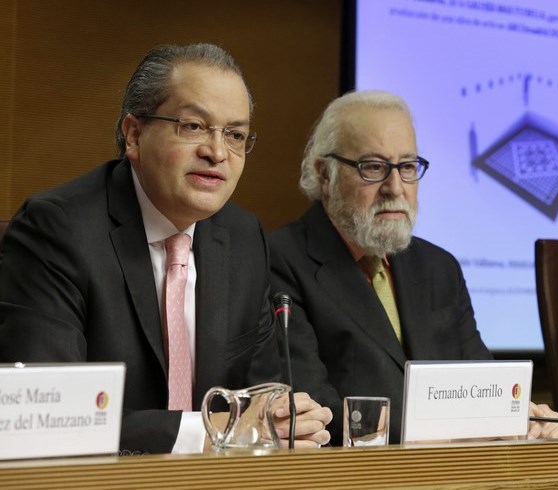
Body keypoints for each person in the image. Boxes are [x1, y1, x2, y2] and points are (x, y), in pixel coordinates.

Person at [0, 43, 331, 454]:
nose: (217, 152)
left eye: (235, 134)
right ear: (134, 135)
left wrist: (285, 421)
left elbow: (261, 402)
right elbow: (47, 413)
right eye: (193, 126)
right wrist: (215, 433)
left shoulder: (243, 238)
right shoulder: (58, 230)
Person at [268, 90, 558, 445]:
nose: (395, 187)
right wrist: (462, 430)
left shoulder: (439, 268)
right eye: (373, 167)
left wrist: (524, 419)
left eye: (408, 167)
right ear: (325, 174)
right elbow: (314, 410)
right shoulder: (280, 260)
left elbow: (488, 389)